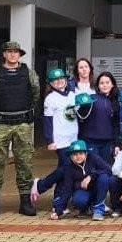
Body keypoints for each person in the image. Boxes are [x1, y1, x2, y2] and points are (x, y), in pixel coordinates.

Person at [0, 41, 41, 217]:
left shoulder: (28, 73)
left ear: (19, 55)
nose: (13, 55)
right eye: (9, 52)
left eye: (16, 52)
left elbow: (35, 94)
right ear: (4, 54)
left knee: (24, 164)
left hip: (22, 124)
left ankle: (25, 203)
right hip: (1, 123)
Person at [31, 68, 79, 218]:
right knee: (66, 169)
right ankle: (41, 185)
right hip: (60, 141)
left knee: (64, 172)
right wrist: (50, 140)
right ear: (51, 83)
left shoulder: (73, 95)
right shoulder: (50, 99)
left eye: (62, 79)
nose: (59, 81)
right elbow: (48, 121)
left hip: (73, 139)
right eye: (56, 80)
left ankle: (59, 203)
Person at [56, 140, 112, 221]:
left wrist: (91, 176)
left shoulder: (93, 157)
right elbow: (67, 189)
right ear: (70, 156)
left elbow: (108, 170)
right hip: (82, 190)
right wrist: (58, 211)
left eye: (81, 153)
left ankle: (98, 209)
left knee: (104, 178)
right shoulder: (69, 168)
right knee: (79, 201)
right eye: (75, 154)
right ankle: (85, 208)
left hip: (96, 188)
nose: (78, 157)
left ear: (86, 154)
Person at [77, 71, 119, 165]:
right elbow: (81, 117)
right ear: (98, 85)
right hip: (91, 141)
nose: (105, 85)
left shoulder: (115, 102)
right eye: (102, 83)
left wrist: (116, 144)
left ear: (112, 84)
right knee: (92, 167)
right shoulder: (90, 98)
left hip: (107, 142)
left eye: (107, 82)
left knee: (106, 167)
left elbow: (116, 125)